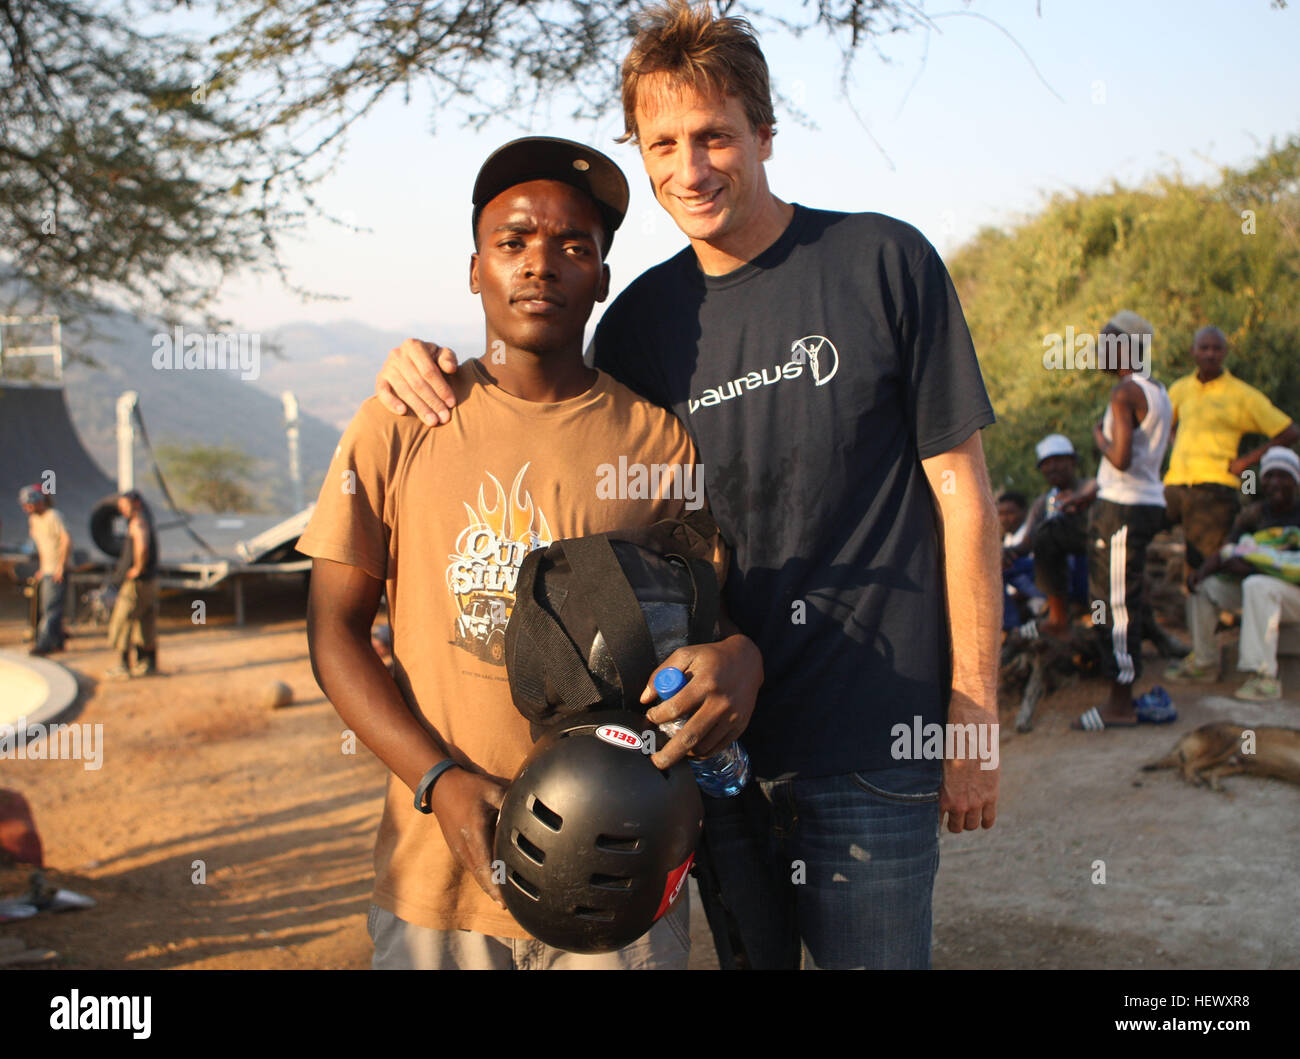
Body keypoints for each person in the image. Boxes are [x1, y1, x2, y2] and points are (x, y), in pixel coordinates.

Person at [369, 1, 1000, 969]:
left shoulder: (882, 262)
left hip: (872, 742)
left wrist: (970, 709)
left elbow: (963, 498)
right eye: (662, 142)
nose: (689, 167)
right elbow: (557, 441)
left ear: (764, 133)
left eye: (714, 136)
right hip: (697, 755)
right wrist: (422, 368)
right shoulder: (641, 326)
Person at [299, 137, 756, 970]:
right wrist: (439, 780)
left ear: (602, 281)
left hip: (618, 879)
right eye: (512, 243)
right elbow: (333, 633)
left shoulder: (656, 441)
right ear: (475, 269)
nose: (540, 264)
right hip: (437, 883)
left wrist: (739, 655)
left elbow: (705, 626)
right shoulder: (400, 423)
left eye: (572, 246)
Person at [1073, 311, 1175, 731]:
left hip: (1123, 510)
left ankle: (1120, 702)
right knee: (1120, 597)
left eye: (1105, 342)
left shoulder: (1124, 392)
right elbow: (1151, 455)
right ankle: (1122, 686)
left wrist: (1098, 436)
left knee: (1114, 604)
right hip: (1143, 502)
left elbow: (1120, 457)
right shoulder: (1159, 390)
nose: (1098, 350)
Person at [1169, 446, 1300, 700]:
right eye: (1270, 476)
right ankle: (1204, 663)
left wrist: (1253, 565)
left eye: (1283, 476)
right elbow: (1229, 550)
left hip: (1291, 595)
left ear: (1295, 481)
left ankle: (1264, 678)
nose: (1275, 483)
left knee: (1257, 584)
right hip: (1266, 594)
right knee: (1205, 586)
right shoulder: (1256, 514)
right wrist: (1204, 570)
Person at [1164, 325, 1298, 571]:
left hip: (1214, 489)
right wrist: (1176, 446)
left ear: (1225, 353)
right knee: (1138, 530)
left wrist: (1246, 462)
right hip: (1175, 484)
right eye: (1204, 348)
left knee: (1203, 566)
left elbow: (1289, 431)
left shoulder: (1241, 394)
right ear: (1193, 351)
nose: (1210, 354)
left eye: (1216, 349)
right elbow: (1163, 425)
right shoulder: (1180, 388)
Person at [105, 490, 159, 678]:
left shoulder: (138, 523)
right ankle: (148, 663)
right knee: (145, 622)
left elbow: (142, 547)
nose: (122, 510)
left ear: (136, 503)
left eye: (124, 506)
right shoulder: (144, 521)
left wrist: (137, 568)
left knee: (124, 621)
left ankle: (123, 666)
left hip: (136, 584)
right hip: (148, 582)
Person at [18, 485, 70, 657]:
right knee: (48, 607)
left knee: (51, 608)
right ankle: (58, 643)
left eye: (29, 505)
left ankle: (43, 644)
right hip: (47, 569)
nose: (27, 509)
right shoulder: (33, 520)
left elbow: (66, 540)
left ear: (39, 502)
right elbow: (41, 546)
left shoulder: (54, 516)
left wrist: (61, 566)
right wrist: (41, 567)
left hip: (57, 569)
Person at [997, 491, 1043, 630]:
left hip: (1037, 591)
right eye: (1001, 514)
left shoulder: (1028, 536)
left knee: (997, 568)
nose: (1004, 519)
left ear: (1024, 512)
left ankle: (1010, 627)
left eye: (1010, 513)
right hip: (1018, 594)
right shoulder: (1008, 539)